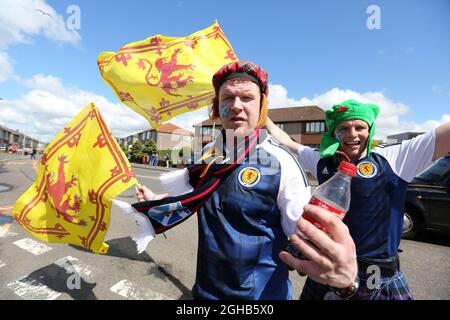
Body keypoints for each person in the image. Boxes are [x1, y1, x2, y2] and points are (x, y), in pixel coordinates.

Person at [136, 60, 358, 300]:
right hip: (204, 293)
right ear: (216, 106)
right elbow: (191, 198)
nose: (236, 106)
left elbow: (309, 239)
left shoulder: (282, 163)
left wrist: (345, 279)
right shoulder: (210, 152)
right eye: (227, 98)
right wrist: (156, 200)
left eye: (247, 98)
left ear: (263, 105)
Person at [267, 99, 450, 300]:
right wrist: (261, 112)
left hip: (375, 276)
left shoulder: (394, 157)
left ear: (370, 130)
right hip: (327, 269)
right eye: (343, 128)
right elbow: (285, 140)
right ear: (333, 133)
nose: (352, 134)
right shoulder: (322, 160)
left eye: (359, 127)